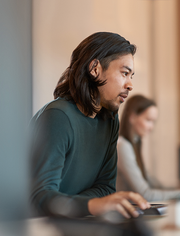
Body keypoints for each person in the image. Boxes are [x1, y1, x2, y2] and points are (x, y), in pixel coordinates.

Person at [30, 32, 150, 219]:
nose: (130, 85)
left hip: (76, 222)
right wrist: (91, 205)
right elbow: (40, 197)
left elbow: (105, 188)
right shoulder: (58, 116)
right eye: (124, 73)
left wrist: (81, 206)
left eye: (131, 76)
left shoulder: (110, 121)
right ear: (95, 69)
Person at [117, 95, 180, 201]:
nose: (152, 127)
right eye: (148, 120)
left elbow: (154, 184)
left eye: (153, 122)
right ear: (132, 117)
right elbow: (145, 194)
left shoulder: (134, 145)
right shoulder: (123, 146)